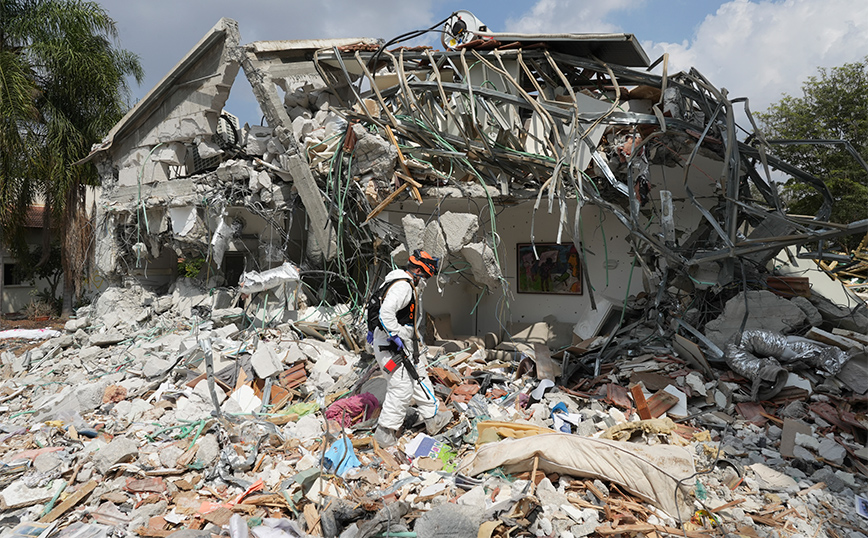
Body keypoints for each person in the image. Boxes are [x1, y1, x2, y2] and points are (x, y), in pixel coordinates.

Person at [370, 250, 451, 447]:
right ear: (418, 270)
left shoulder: (398, 282)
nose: (424, 280)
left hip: (404, 343)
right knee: (402, 387)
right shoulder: (402, 287)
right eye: (424, 275)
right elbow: (386, 312)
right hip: (392, 346)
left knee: (419, 376)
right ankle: (385, 433)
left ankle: (432, 418)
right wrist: (394, 336)